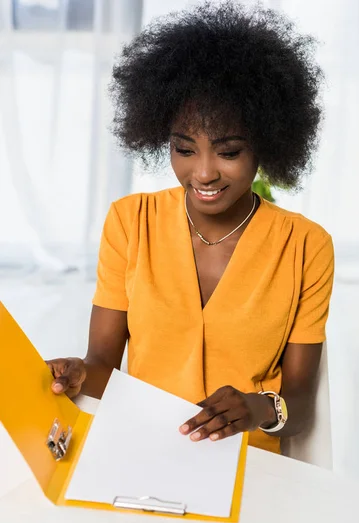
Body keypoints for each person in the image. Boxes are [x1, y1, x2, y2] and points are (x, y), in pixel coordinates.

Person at [46, 1, 334, 454]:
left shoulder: (305, 246)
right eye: (184, 149)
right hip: (140, 450)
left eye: (229, 151)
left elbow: (300, 404)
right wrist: (81, 374)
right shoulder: (130, 221)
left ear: (266, 144)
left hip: (249, 465)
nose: (203, 173)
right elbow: (103, 364)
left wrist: (256, 408)